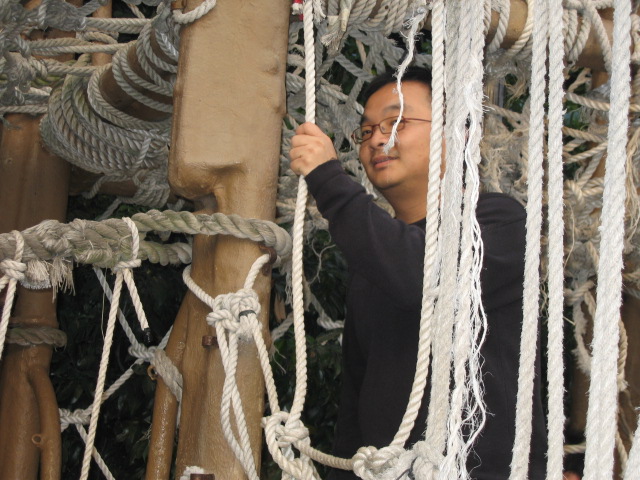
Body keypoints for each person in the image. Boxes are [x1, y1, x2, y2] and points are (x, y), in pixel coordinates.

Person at [289, 67, 547, 480]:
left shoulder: (499, 222)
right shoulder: (373, 262)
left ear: (457, 134)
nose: (377, 139)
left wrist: (328, 179)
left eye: (397, 122)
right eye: (367, 130)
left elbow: (419, 277)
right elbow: (356, 406)